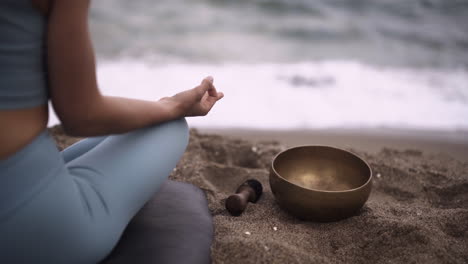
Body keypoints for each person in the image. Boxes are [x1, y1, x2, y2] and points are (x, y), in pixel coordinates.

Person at [0, 0, 224, 263]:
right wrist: (172, 106)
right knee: (168, 125)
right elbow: (82, 116)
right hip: (27, 225)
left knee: (131, 128)